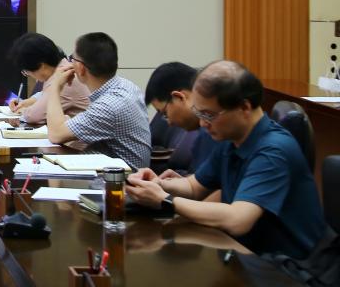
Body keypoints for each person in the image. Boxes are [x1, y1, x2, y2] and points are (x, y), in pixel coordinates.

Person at [126, 60, 327, 260]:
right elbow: (194, 186)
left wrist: (165, 200)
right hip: (249, 254)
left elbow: (238, 220)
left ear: (244, 107)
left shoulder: (273, 151)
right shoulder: (230, 139)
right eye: (199, 113)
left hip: (290, 267)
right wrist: (157, 184)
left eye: (209, 115)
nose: (202, 124)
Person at [43, 32, 151, 170]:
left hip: (118, 181)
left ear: (81, 68)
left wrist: (55, 86)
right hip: (110, 171)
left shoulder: (109, 106)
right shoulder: (126, 86)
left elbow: (56, 135)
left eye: (72, 59)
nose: (70, 63)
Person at [144, 62, 218, 175]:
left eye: (165, 113)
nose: (169, 123)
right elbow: (202, 183)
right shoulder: (202, 129)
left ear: (179, 97)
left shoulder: (214, 131)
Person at [6, 32, 90, 124]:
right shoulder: (60, 68)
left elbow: (33, 116)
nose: (29, 75)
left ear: (41, 66)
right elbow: (45, 94)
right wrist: (27, 102)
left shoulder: (66, 77)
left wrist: (23, 111)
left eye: (27, 71)